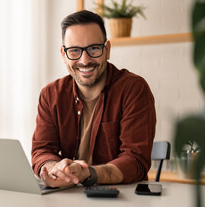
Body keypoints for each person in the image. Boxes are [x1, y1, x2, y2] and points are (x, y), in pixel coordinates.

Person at [31, 10, 156, 188]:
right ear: (63, 54)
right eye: (74, 50)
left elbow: (135, 160)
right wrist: (55, 170)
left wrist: (87, 173)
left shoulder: (134, 89)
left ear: (107, 50)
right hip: (68, 197)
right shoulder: (50, 95)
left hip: (122, 200)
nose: (84, 60)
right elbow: (42, 150)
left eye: (94, 49)